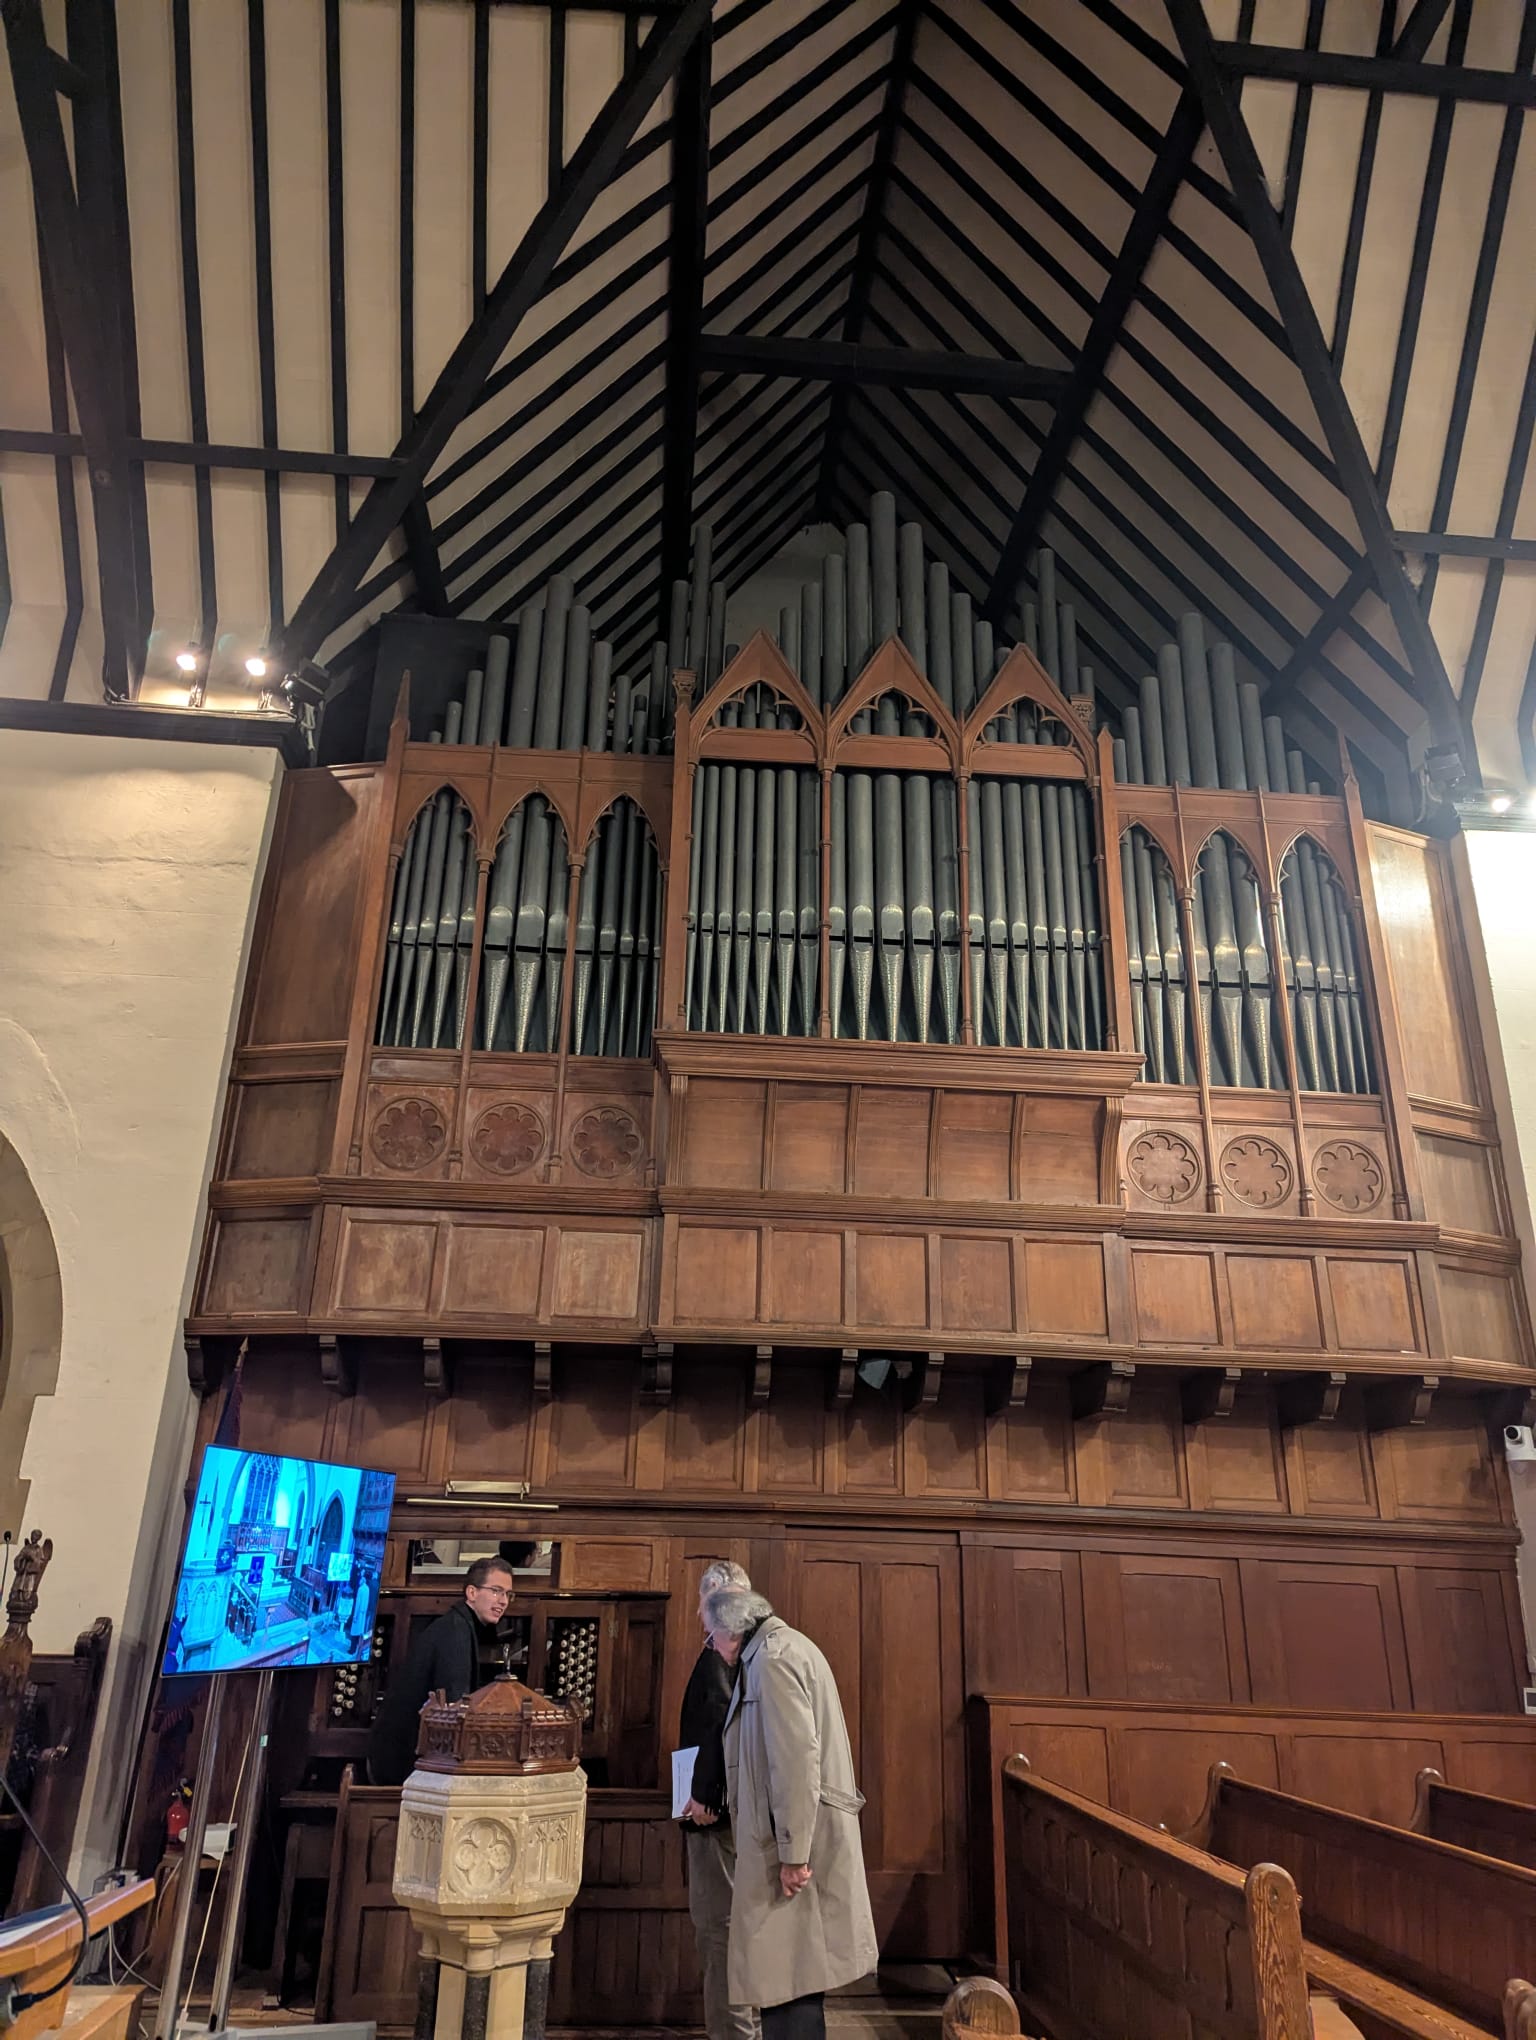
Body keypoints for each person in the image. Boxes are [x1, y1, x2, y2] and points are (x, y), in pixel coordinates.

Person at [706, 1587, 878, 2040]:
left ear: (732, 1629)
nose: (712, 1647)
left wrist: (794, 1854)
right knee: (791, 1978)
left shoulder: (774, 1661)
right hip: (784, 1840)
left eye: (712, 1637)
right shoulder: (779, 1650)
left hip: (786, 1848)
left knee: (789, 1982)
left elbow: (795, 1764)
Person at [678, 1562, 760, 2040]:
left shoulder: (730, 1660)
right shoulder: (727, 1657)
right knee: (722, 1936)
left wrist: (706, 1796)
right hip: (718, 1813)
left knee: (721, 1937)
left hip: (717, 1818)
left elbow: (724, 1733)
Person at [368, 1554, 513, 1784]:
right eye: (496, 1591)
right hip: (401, 1765)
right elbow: (454, 1712)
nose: (503, 1601)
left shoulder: (460, 1624)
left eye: (507, 1594)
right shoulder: (456, 1632)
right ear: (472, 1593)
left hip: (405, 1757)